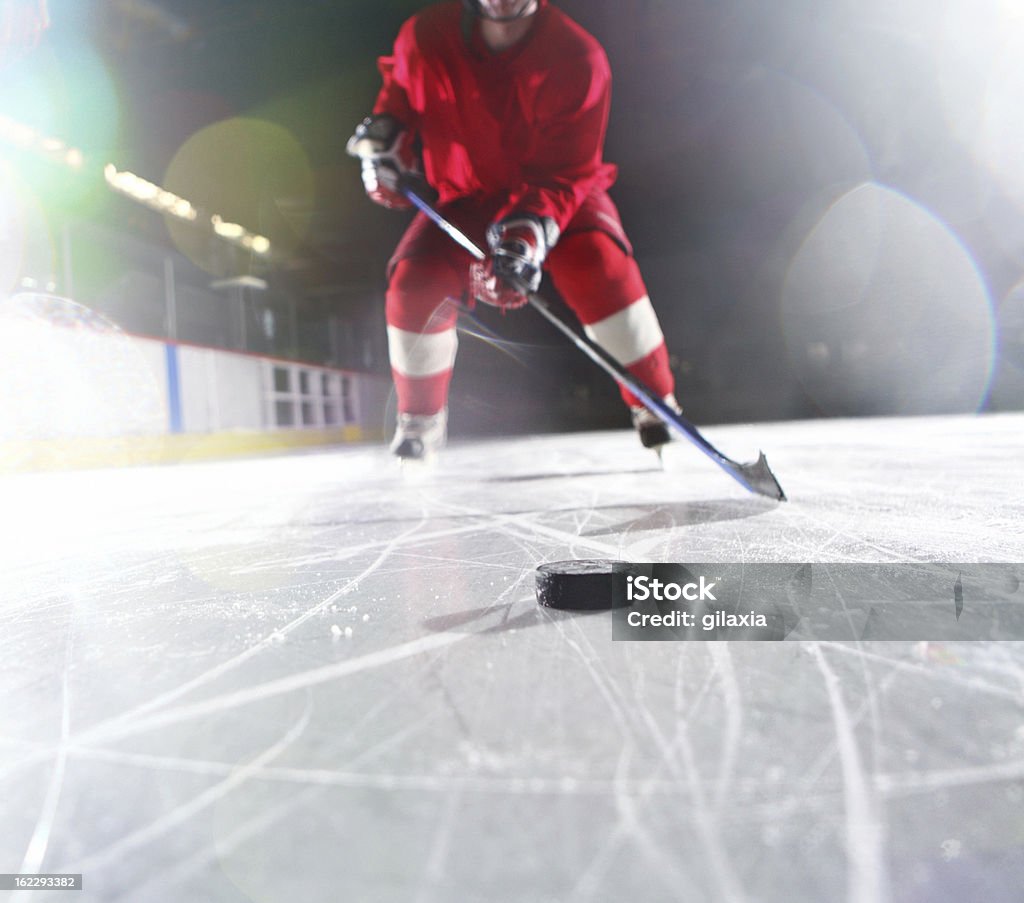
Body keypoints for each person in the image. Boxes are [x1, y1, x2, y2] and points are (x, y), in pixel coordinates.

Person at [347, 0, 680, 461]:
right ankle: (420, 418)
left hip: (557, 195)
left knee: (599, 266)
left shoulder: (578, 56)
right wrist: (383, 142)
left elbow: (567, 171)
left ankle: (656, 403)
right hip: (464, 195)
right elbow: (399, 93)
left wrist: (527, 235)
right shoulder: (424, 35)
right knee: (413, 282)